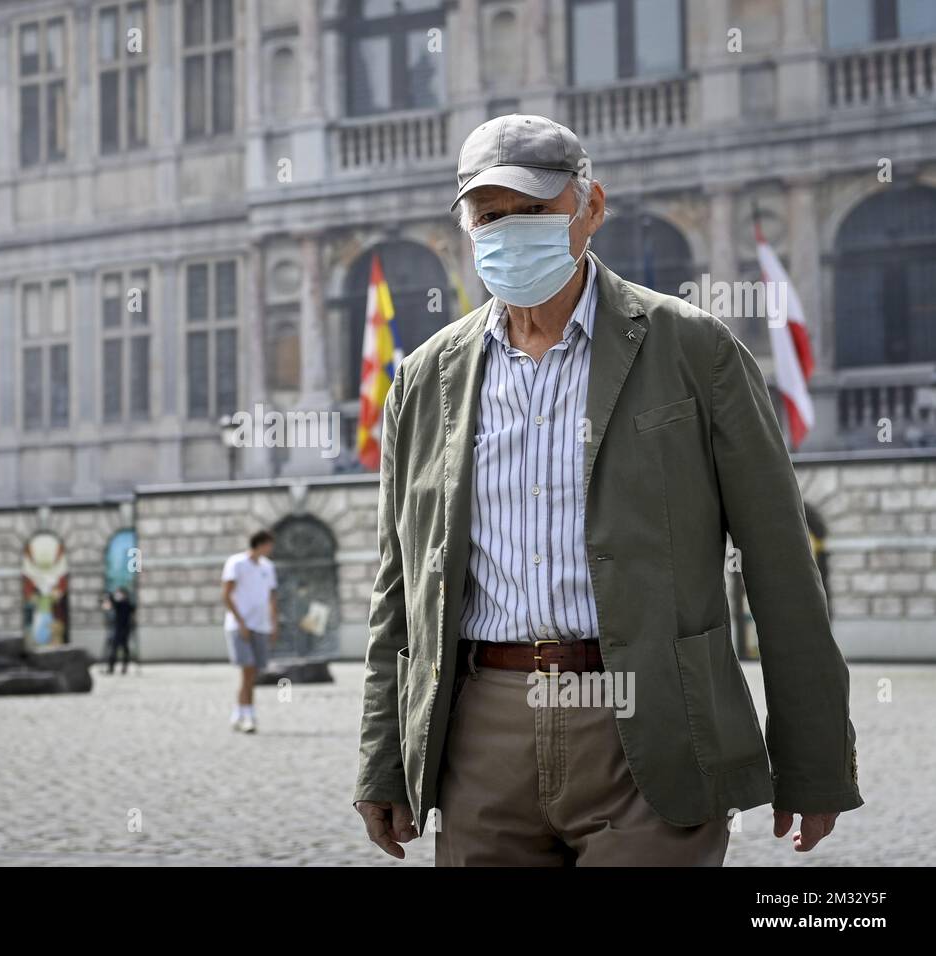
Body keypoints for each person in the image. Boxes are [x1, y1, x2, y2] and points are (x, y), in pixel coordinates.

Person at [354, 114, 862, 866]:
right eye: (490, 216)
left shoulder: (695, 350)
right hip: (480, 733)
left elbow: (781, 565)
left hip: (647, 724)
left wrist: (814, 761)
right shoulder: (426, 380)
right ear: (465, 226)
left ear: (590, 208)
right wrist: (383, 760)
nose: (509, 231)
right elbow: (399, 586)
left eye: (534, 210)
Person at [221, 530, 278, 733]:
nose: (271, 549)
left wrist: (273, 623)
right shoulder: (236, 563)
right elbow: (226, 595)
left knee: (251, 673)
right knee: (247, 670)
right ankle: (249, 715)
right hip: (240, 626)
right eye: (269, 545)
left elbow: (271, 597)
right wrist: (241, 623)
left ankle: (238, 712)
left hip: (261, 625)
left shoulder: (268, 567)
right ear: (260, 544)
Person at [101, 587, 136, 675]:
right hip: (119, 629)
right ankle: (112, 668)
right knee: (116, 649)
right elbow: (111, 604)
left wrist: (110, 595)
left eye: (120, 594)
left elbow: (114, 602)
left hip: (123, 630)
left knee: (121, 649)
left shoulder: (126, 604)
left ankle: (122, 667)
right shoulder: (123, 604)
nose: (119, 596)